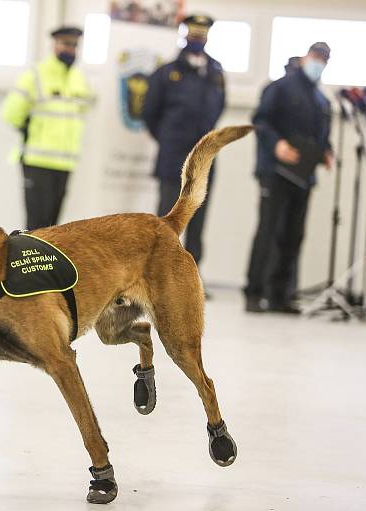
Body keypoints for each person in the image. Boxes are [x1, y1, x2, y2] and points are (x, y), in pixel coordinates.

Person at [244, 43, 333, 314]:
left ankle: (279, 295)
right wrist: (276, 145)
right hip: (275, 172)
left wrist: (325, 151)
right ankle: (254, 292)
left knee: (293, 236)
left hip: (303, 177)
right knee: (268, 231)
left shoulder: (321, 100)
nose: (319, 62)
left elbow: (320, 134)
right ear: (306, 56)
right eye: (316, 56)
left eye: (324, 59)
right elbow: (260, 120)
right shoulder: (279, 88)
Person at [142, 14, 226, 269]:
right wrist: (169, 139)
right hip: (173, 157)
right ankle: (158, 275)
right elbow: (149, 113)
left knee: (198, 220)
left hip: (204, 159)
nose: (197, 38)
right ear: (185, 35)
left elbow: (219, 107)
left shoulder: (215, 72)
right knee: (167, 220)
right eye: (193, 34)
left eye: (202, 35)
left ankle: (191, 278)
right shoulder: (167, 73)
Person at [1, 26, 93, 230]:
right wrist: (28, 129)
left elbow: (84, 109)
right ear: (55, 44)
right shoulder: (35, 74)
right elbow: (10, 112)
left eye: (74, 45)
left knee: (53, 227)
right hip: (38, 162)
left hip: (65, 163)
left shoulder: (79, 78)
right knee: (36, 226)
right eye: (66, 44)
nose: (70, 49)